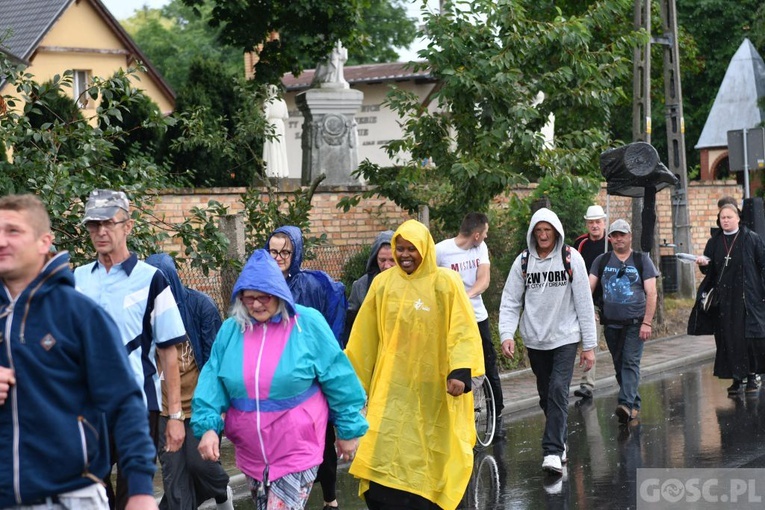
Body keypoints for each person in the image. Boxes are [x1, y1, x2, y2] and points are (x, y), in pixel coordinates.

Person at [0, 194, 158, 510]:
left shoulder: (79, 313)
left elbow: (124, 400)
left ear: (45, 242)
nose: (2, 241)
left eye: (13, 231)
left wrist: (141, 488)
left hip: (72, 496)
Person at [191, 249, 368, 510]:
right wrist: (208, 427)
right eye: (248, 298)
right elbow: (212, 379)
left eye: (263, 297)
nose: (256, 305)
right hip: (251, 452)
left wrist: (348, 428)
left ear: (279, 294)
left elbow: (338, 376)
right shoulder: (231, 330)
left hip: (297, 447)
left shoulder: (306, 324)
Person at [345, 219, 484, 510]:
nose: (405, 254)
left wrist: (460, 370)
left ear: (425, 249)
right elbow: (363, 339)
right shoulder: (383, 285)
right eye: (400, 248)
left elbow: (461, 328)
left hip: (434, 392)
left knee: (428, 452)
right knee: (384, 447)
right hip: (391, 388)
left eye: (412, 249)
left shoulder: (445, 282)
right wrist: (349, 390)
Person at [74, 189, 187, 510]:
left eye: (109, 223)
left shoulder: (152, 279)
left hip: (138, 404)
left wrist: (175, 416)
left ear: (128, 225)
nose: (101, 232)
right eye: (94, 225)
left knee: (133, 490)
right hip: (88, 404)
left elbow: (169, 351)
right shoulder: (78, 279)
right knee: (88, 486)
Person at [498, 207, 596, 475]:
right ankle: (559, 437)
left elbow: (584, 303)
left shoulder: (571, 258)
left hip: (565, 337)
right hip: (535, 338)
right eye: (539, 231)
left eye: (547, 231)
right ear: (533, 233)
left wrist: (588, 346)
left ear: (556, 232)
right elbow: (509, 301)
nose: (543, 235)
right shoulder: (523, 262)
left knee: (557, 390)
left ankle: (552, 451)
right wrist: (507, 334)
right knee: (545, 393)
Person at [264, 226, 348, 510]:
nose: (278, 257)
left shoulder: (311, 285)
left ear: (295, 252)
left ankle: (330, 498)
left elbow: (332, 313)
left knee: (322, 439)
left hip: (309, 377)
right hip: (274, 379)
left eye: (285, 251)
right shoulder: (260, 284)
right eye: (273, 251)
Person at [145, 254, 233, 510]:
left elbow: (215, 363)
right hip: (164, 409)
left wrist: (219, 408)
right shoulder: (145, 314)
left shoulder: (200, 307)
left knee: (201, 465)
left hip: (199, 407)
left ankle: (221, 492)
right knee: (174, 479)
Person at [436, 212, 505, 438]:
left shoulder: (480, 249)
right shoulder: (441, 251)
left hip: (476, 317)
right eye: (484, 233)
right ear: (476, 235)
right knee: (456, 367)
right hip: (452, 321)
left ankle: (498, 416)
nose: (486, 236)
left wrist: (465, 297)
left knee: (488, 365)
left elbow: (483, 280)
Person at [589, 219, 658, 424]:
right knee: (619, 364)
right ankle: (633, 405)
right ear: (609, 238)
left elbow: (652, 292)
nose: (618, 239)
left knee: (630, 361)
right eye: (615, 235)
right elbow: (587, 289)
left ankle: (626, 403)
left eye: (622, 235)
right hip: (610, 323)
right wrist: (589, 310)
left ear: (630, 236)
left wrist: (647, 322)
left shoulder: (641, 260)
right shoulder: (601, 261)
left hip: (636, 322)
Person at [696, 203, 765, 395]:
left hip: (746, 298)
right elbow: (710, 269)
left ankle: (751, 376)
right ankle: (736, 378)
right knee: (727, 339)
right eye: (722, 218)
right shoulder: (715, 241)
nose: (725, 220)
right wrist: (703, 264)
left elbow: (762, 265)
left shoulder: (751, 238)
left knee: (747, 339)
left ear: (738, 218)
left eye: (729, 217)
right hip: (724, 300)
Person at [572, 205, 612, 400]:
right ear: (587, 223)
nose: (595, 225)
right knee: (590, 341)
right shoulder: (580, 244)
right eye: (591, 222)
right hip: (590, 301)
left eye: (598, 222)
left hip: (612, 302)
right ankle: (587, 384)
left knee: (617, 344)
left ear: (604, 222)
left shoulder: (612, 242)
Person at [344, 230, 395, 336]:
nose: (387, 266)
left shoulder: (410, 284)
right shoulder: (361, 286)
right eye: (382, 260)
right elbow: (351, 322)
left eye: (392, 260)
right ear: (375, 259)